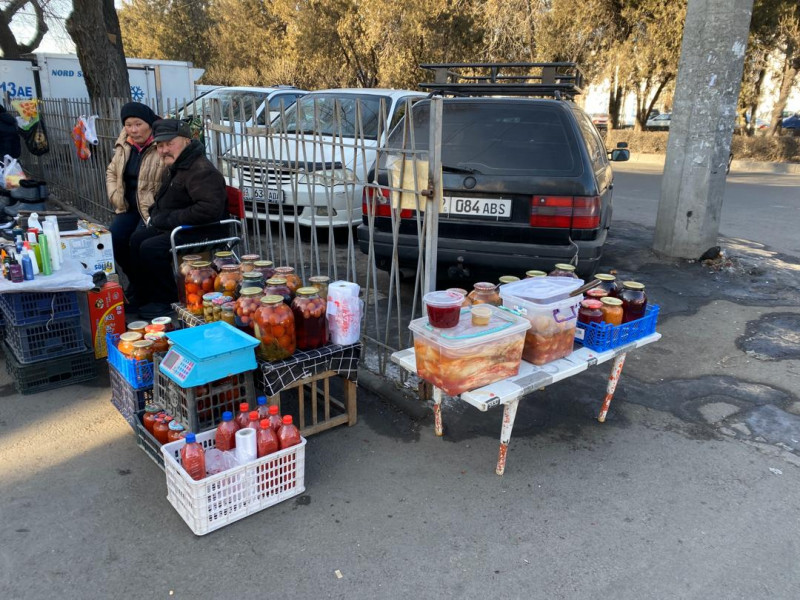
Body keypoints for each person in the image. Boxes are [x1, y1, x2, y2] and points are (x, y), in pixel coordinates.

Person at [128, 119, 227, 319]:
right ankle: (146, 293)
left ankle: (166, 298)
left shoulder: (201, 170)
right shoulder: (180, 165)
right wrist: (158, 214)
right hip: (182, 226)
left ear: (186, 141)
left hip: (204, 229)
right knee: (136, 239)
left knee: (151, 248)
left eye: (169, 144)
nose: (164, 150)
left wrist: (168, 218)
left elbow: (209, 210)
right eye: (160, 145)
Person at [106, 102, 163, 308]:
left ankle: (149, 290)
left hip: (152, 207)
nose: (133, 130)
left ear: (149, 123)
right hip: (128, 205)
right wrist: (115, 195)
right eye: (128, 125)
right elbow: (112, 172)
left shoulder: (161, 143)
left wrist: (159, 203)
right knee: (114, 238)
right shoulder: (124, 144)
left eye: (138, 124)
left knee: (138, 242)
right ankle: (138, 283)